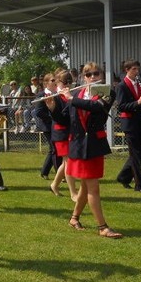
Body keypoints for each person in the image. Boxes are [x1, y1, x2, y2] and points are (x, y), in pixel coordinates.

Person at [64, 63, 123, 238]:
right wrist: (51, 106)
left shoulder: (108, 92)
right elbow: (63, 116)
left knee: (87, 185)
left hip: (94, 144)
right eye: (88, 74)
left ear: (101, 75)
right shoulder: (77, 93)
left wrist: (71, 99)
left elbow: (98, 107)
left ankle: (75, 219)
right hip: (78, 145)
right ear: (83, 77)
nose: (92, 77)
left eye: (96, 74)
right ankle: (102, 227)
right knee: (91, 187)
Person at [115, 59, 141, 193]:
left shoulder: (139, 84)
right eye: (134, 69)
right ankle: (140, 185)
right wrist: (137, 102)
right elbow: (121, 106)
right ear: (127, 70)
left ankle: (123, 177)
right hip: (130, 123)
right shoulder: (121, 86)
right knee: (136, 155)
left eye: (137, 69)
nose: (137, 72)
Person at [47, 70, 78, 200]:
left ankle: (54, 184)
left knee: (66, 163)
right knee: (69, 162)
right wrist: (52, 108)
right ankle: (73, 193)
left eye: (69, 82)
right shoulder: (56, 97)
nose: (67, 85)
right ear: (58, 82)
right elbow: (59, 118)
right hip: (60, 133)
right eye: (64, 82)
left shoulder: (69, 95)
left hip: (70, 132)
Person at [34, 73, 56, 178]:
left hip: (57, 125)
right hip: (47, 125)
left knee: (54, 149)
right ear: (46, 83)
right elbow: (38, 112)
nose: (55, 81)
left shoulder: (57, 93)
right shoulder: (41, 95)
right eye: (52, 80)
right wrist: (52, 117)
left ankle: (44, 172)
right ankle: (59, 174)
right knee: (54, 149)